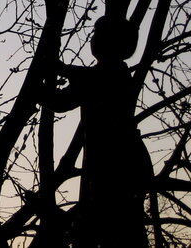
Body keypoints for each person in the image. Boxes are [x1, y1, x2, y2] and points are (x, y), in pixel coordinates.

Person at [41, 16, 152, 248]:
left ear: (110, 43)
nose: (92, 40)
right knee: (114, 227)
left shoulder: (111, 75)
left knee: (117, 229)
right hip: (115, 163)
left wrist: (53, 71)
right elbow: (65, 96)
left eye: (97, 36)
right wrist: (47, 82)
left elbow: (82, 86)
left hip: (120, 163)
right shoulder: (103, 76)